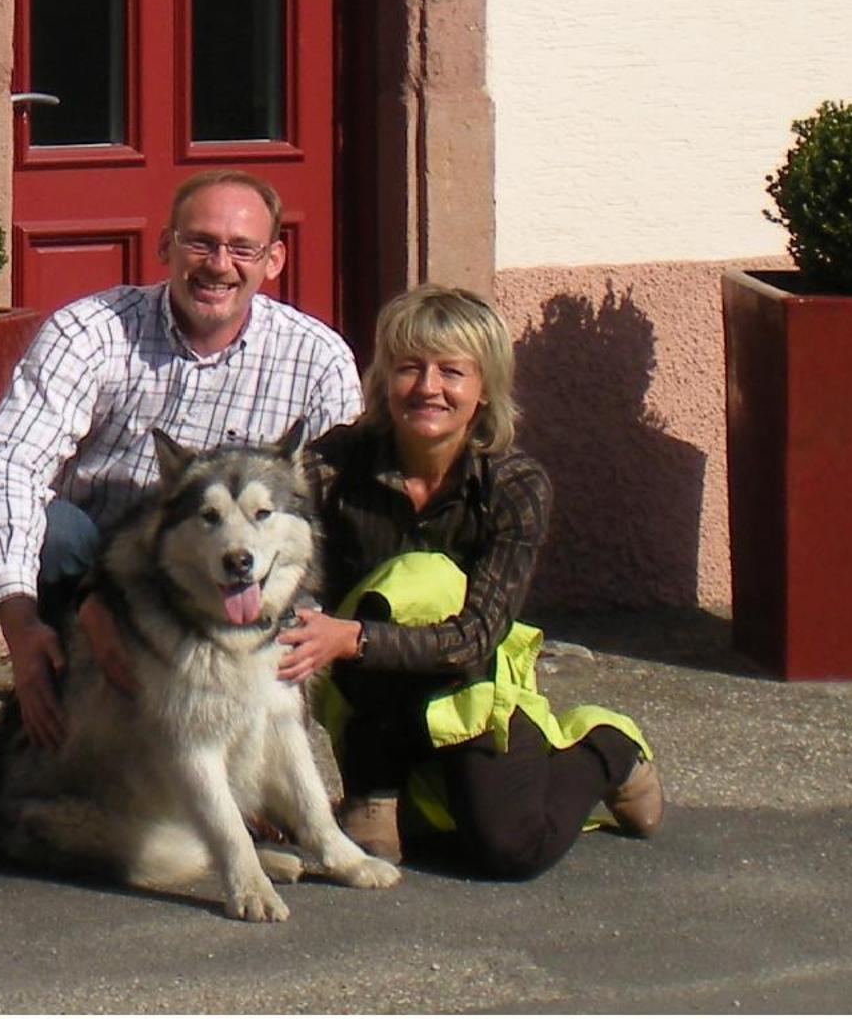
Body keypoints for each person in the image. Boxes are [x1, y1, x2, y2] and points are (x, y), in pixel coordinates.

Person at [277, 284, 661, 878]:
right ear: (383, 380)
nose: (428, 388)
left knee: (508, 849)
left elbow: (477, 636)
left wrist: (350, 639)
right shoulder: (334, 466)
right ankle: (377, 786)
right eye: (409, 368)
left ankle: (605, 750)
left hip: (472, 684)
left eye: (452, 372)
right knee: (398, 844)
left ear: (484, 389)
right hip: (370, 702)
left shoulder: (514, 485)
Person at [0, 169, 363, 748]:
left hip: (230, 571)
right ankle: (68, 704)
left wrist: (331, 626)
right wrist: (21, 625)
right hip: (98, 566)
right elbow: (8, 466)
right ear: (165, 246)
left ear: (273, 259)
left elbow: (344, 504)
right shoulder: (91, 331)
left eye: (242, 249)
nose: (218, 264)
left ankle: (261, 750)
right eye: (199, 242)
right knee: (54, 532)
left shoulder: (317, 358)